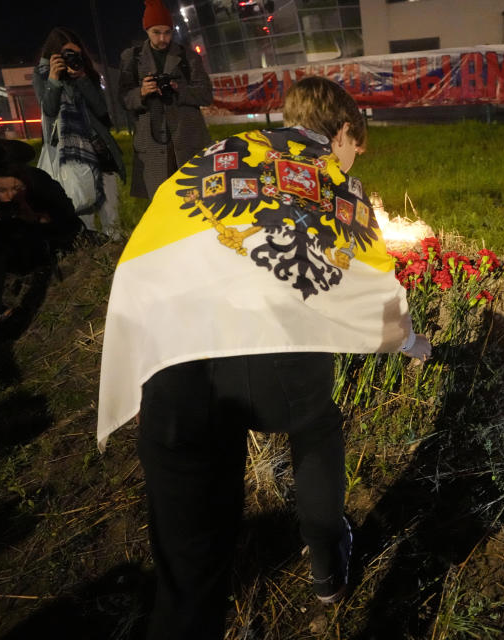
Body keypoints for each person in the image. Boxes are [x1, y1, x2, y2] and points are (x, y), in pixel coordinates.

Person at [97, 76, 431, 639]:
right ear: (342, 131)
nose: (353, 161)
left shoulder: (216, 154)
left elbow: (152, 238)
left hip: (175, 358)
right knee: (318, 423)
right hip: (278, 369)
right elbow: (374, 286)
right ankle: (326, 564)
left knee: (188, 579)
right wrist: (414, 343)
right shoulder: (331, 182)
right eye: (356, 146)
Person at [0, 161, 80, 340]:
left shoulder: (39, 196)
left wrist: (34, 217)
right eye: (2, 190)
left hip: (42, 258)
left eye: (17, 188)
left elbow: (68, 225)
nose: (11, 196)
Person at [33, 27, 126, 240]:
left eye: (77, 54)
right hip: (71, 157)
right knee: (83, 218)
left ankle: (116, 259)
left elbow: (101, 110)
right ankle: (92, 264)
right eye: (67, 54)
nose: (73, 58)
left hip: (99, 151)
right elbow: (48, 110)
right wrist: (54, 80)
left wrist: (83, 78)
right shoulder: (42, 75)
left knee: (112, 218)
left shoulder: (85, 72)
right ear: (54, 54)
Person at [118, 0, 213, 200]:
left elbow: (205, 95)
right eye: (156, 32)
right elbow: (125, 98)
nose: (163, 38)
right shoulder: (132, 58)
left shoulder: (187, 56)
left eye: (167, 32)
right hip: (152, 143)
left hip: (188, 139)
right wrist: (142, 92)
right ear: (146, 30)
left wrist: (180, 89)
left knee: (196, 199)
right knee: (162, 202)